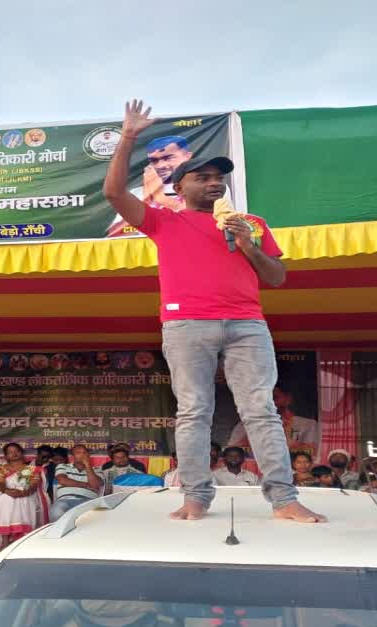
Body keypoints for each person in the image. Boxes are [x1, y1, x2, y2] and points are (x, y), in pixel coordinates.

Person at [105, 100, 321, 524]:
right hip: (186, 323)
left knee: (260, 409)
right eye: (202, 178)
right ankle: (196, 498)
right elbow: (113, 193)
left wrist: (247, 245)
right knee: (194, 410)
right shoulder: (165, 221)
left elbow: (276, 277)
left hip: (247, 324)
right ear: (179, 187)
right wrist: (129, 135)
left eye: (218, 178)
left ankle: (283, 499)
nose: (213, 183)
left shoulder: (251, 223)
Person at [105, 135, 193, 237]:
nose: (161, 166)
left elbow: (198, 221)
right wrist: (145, 202)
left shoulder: (201, 188)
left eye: (168, 158)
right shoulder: (138, 193)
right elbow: (115, 235)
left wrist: (159, 196)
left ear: (188, 156)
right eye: (154, 161)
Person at [0, 443, 47, 548]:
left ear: (21, 453)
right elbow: (0, 483)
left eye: (17, 451)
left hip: (26, 495)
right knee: (6, 499)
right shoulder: (1, 469)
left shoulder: (32, 469)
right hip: (6, 493)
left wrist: (22, 493)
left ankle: (20, 542)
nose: (14, 454)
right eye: (10, 452)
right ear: (6, 456)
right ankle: (5, 542)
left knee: (13, 500)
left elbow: (33, 484)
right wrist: (7, 491)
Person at [228, 386, 320, 456]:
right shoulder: (246, 424)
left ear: (288, 399)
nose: (269, 403)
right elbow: (231, 452)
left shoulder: (308, 425)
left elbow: (312, 453)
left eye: (275, 397)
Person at [51, 445, 102, 521]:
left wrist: (87, 465)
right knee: (56, 512)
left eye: (85, 453)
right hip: (65, 500)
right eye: (79, 452)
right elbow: (63, 480)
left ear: (88, 455)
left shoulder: (97, 470)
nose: (82, 455)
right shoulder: (63, 466)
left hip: (88, 501)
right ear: (73, 456)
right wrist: (86, 485)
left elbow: (95, 485)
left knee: (92, 518)